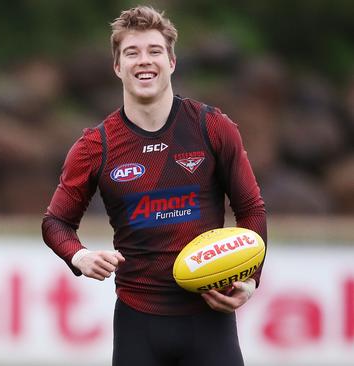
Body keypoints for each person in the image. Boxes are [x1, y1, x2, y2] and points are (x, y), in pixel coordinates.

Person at [42, 5, 266, 366]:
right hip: (138, 322)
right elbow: (56, 222)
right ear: (118, 67)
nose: (143, 61)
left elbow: (251, 207)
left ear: (172, 61)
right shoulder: (95, 146)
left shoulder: (212, 127)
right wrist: (79, 256)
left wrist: (252, 280)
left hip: (210, 317)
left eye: (154, 51)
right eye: (132, 52)